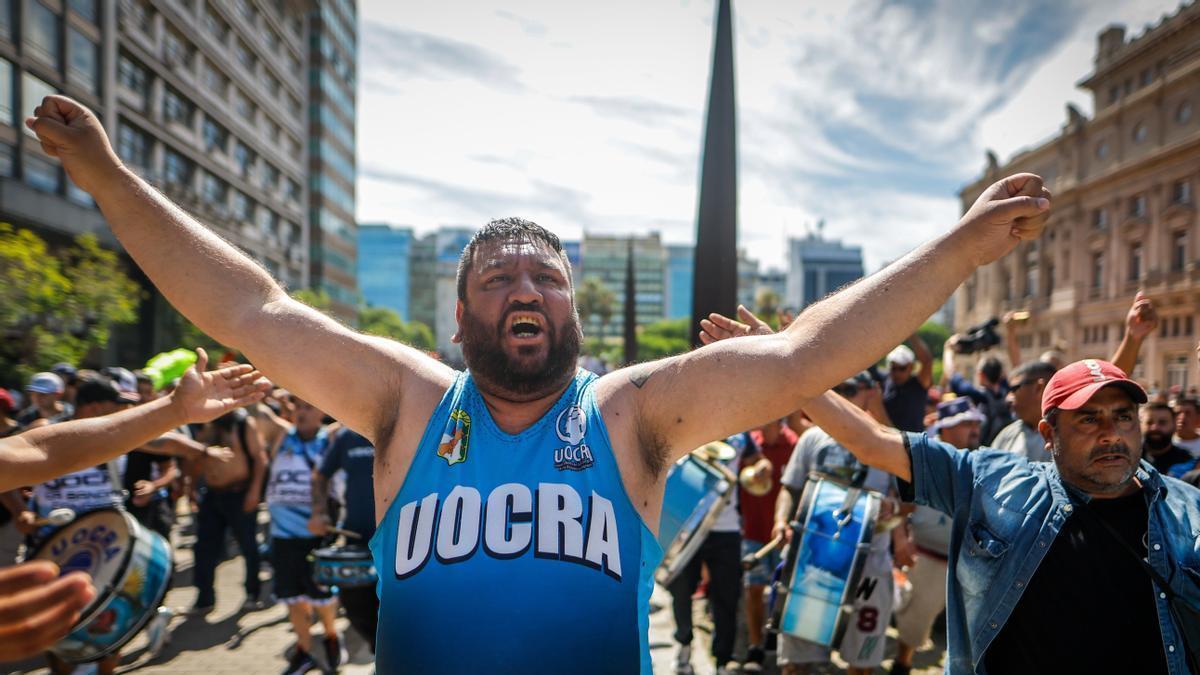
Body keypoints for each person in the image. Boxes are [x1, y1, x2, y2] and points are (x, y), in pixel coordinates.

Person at [26, 93, 1052, 673]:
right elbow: (252, 311)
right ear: (460, 316)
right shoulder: (408, 401)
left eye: (547, 277)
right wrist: (111, 176)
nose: (525, 288)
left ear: (572, 307)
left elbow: (802, 355)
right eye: (498, 277)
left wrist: (958, 250)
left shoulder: (634, 413)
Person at [797, 358, 1200, 674]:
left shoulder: (1188, 512)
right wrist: (786, 369)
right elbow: (872, 442)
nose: (1111, 433)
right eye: (1089, 418)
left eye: (1124, 415)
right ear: (1048, 434)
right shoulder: (994, 485)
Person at [773, 376, 899, 675]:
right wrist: (780, 522)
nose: (841, 395)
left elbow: (910, 501)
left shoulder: (890, 441)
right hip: (812, 560)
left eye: (850, 390)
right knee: (796, 662)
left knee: (862, 661)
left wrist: (892, 509)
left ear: (869, 394)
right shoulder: (811, 438)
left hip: (869, 563)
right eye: (834, 388)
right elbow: (789, 489)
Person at [890, 397, 983, 675]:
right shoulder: (924, 461)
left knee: (972, 636)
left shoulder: (981, 462)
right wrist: (899, 538)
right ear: (946, 428)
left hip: (968, 563)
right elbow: (898, 505)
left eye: (974, 421)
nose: (973, 427)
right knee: (913, 626)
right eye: (965, 422)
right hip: (929, 556)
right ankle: (901, 665)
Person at [265, 397, 343, 674]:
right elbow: (257, 414)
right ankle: (304, 649)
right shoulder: (281, 435)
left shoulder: (331, 438)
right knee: (292, 597)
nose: (300, 412)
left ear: (323, 411)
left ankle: (331, 635)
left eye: (308, 406)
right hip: (283, 535)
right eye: (297, 406)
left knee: (321, 596)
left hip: (316, 535)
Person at [670, 434, 754, 675]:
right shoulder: (693, 415)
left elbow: (756, 459)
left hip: (726, 527)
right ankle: (684, 644)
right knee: (681, 588)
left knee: (727, 595)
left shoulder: (743, 434)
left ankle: (722, 660)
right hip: (690, 521)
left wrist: (760, 469)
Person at [189, 407, 269, 614]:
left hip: (239, 494)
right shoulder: (205, 425)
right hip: (212, 494)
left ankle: (253, 592)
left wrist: (254, 492)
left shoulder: (242, 424)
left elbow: (260, 459)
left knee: (248, 545)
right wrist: (190, 488)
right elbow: (196, 458)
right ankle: (204, 597)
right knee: (204, 547)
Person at [309, 427, 378, 655]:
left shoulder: (406, 426)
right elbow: (321, 475)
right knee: (356, 605)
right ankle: (380, 652)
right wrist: (319, 510)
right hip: (357, 538)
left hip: (404, 539)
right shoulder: (348, 436)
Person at [738, 418, 798, 673]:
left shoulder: (794, 444)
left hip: (783, 536)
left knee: (783, 594)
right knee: (753, 590)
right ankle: (755, 646)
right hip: (752, 531)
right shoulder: (750, 443)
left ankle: (779, 642)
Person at [990, 360, 1057, 462]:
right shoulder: (1007, 436)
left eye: (1014, 389)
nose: (1008, 398)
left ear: (1039, 387)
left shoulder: (1066, 434)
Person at [882, 337, 933, 433]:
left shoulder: (918, 384)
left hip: (913, 443)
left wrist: (910, 333)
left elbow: (927, 361)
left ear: (911, 367)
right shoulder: (885, 382)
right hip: (889, 440)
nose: (897, 373)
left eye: (902, 368)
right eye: (893, 368)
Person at [1141, 402, 1193, 475]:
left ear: (1174, 425)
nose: (1155, 428)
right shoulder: (1129, 459)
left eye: (1162, 422)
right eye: (1149, 422)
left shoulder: (1188, 462)